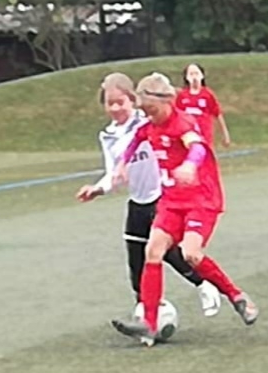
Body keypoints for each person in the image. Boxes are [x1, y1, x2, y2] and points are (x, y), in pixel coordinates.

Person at [110, 73, 259, 346]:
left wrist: (190, 164)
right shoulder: (149, 126)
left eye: (152, 110)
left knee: (191, 254)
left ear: (166, 101)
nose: (149, 116)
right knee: (153, 250)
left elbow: (197, 146)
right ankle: (149, 323)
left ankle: (236, 296)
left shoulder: (183, 123)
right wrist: (121, 165)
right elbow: (135, 141)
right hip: (171, 201)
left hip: (201, 200)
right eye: (145, 111)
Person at [76, 73, 223, 319]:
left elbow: (172, 116)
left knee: (168, 252)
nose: (115, 108)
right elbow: (114, 173)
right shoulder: (108, 136)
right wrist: (98, 189)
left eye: (120, 102)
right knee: (136, 261)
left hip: (162, 198)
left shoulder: (148, 121)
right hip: (137, 203)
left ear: (133, 100)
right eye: (110, 103)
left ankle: (205, 285)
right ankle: (145, 313)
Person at [176, 63, 231, 148]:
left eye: (196, 73)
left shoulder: (207, 94)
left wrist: (225, 134)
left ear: (202, 76)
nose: (194, 77)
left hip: (205, 135)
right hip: (188, 136)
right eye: (191, 74)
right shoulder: (182, 96)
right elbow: (177, 116)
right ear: (186, 77)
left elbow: (217, 114)